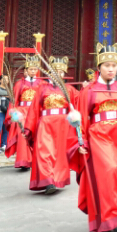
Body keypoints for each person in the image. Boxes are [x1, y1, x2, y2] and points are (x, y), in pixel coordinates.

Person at [71, 44, 117, 232]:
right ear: (99, 67)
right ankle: (114, 215)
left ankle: (113, 216)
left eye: (114, 65)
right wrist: (81, 141)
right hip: (99, 136)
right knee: (109, 170)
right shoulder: (88, 91)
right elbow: (81, 117)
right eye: (107, 65)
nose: (111, 69)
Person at [25, 56, 78, 195]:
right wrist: (28, 127)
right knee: (44, 151)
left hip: (63, 125)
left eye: (61, 72)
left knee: (60, 154)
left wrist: (87, 87)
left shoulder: (70, 90)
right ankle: (48, 181)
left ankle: (57, 178)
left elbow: (81, 103)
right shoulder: (42, 88)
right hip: (46, 123)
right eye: (55, 71)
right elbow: (34, 108)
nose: (58, 74)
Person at [5, 57, 42, 170]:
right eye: (30, 69)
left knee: (37, 135)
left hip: (36, 112)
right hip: (22, 112)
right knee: (22, 135)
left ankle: (37, 159)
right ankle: (24, 161)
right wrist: (13, 113)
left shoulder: (42, 83)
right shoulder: (19, 83)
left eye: (35, 69)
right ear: (26, 70)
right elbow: (14, 100)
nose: (32, 71)